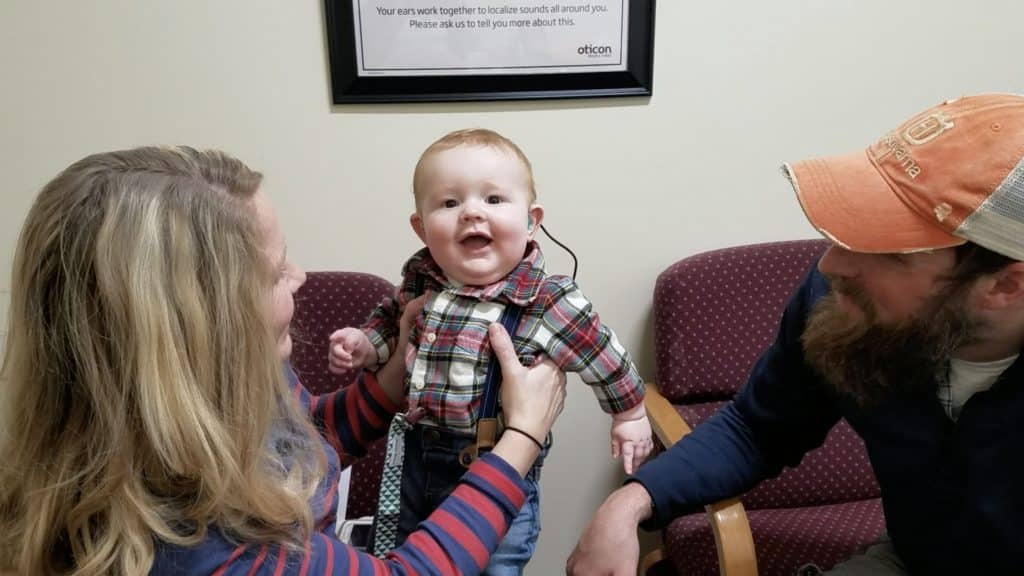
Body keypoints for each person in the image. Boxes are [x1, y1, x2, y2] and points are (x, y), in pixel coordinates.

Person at [0, 145, 568, 575]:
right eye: (276, 273)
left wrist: (389, 383)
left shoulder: (222, 382)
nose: (299, 279)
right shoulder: (211, 548)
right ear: (198, 330)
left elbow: (301, 442)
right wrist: (519, 439)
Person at [568, 92, 1024, 576]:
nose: (831, 264)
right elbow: (757, 427)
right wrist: (629, 504)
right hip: (919, 553)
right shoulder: (842, 305)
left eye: (891, 253)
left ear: (1005, 285)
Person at [327, 128, 652, 572]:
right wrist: (367, 345)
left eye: (494, 200)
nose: (472, 213)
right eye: (449, 203)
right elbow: (390, 324)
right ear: (421, 228)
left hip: (498, 466)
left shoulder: (549, 300)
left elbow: (605, 356)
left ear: (532, 220)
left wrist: (629, 414)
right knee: (413, 557)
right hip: (419, 462)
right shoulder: (422, 283)